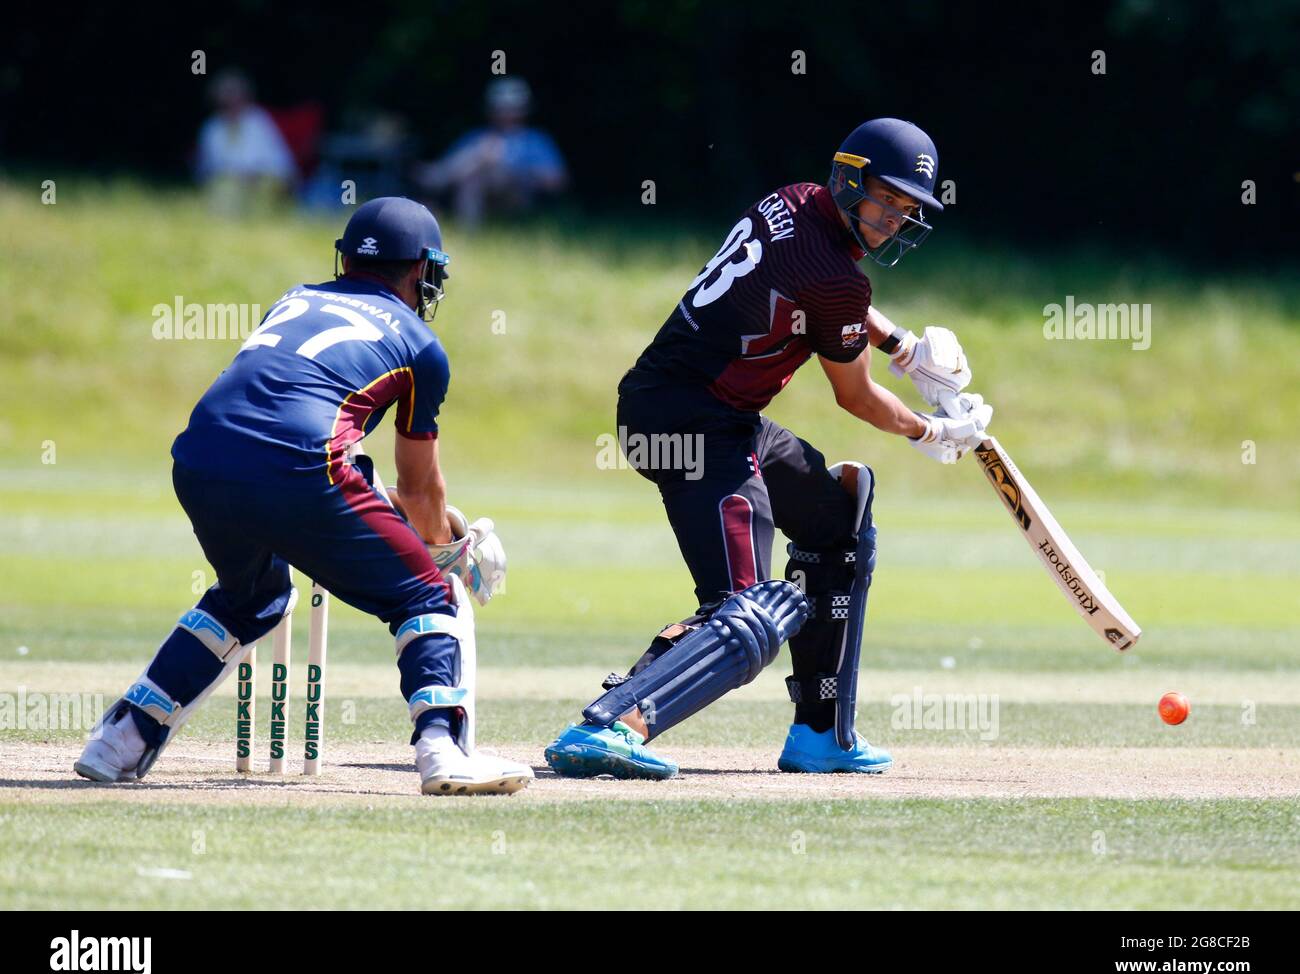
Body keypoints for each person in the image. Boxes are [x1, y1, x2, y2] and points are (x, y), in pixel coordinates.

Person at [544, 119, 993, 779]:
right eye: (886, 202)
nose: (895, 221)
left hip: (696, 411)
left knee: (836, 518)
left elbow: (822, 291)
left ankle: (820, 733)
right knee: (751, 610)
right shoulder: (839, 280)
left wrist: (902, 347)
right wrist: (931, 431)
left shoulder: (793, 199)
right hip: (689, 425)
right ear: (850, 179)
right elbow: (856, 398)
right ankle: (615, 723)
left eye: (908, 210)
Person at [75, 197, 531, 795]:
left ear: (344, 258)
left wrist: (401, 512)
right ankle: (442, 750)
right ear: (424, 271)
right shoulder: (421, 345)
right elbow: (418, 488)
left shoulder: (296, 297)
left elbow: (284, 421)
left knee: (252, 598)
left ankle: (119, 741)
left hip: (200, 458)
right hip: (304, 467)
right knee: (426, 593)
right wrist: (450, 548)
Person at [417, 77, 567, 227]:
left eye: (511, 108)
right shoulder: (476, 136)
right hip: (475, 187)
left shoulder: (535, 140)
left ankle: (436, 180)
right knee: (474, 174)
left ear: (524, 109)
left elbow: (556, 182)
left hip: (518, 196)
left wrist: (506, 165)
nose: (504, 113)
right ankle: (466, 229)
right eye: (499, 107)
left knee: (481, 158)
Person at [195, 70, 297, 215]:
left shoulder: (259, 120)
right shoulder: (211, 128)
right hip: (230, 180)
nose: (231, 100)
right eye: (226, 95)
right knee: (224, 187)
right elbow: (208, 165)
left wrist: (252, 174)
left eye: (234, 94)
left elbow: (279, 161)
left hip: (265, 177)